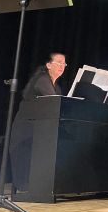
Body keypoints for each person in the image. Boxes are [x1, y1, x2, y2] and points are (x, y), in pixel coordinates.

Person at [8, 52, 67, 193]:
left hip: (40, 130)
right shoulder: (42, 80)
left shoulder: (57, 87)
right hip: (26, 131)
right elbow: (54, 104)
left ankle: (54, 183)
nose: (62, 66)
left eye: (64, 63)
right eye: (59, 62)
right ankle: (35, 184)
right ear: (48, 65)